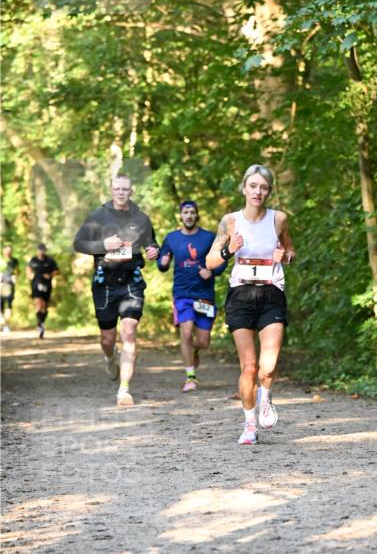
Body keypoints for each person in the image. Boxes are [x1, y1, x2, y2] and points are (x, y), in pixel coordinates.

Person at [206, 164, 295, 445]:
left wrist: (287, 256)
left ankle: (265, 397)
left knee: (268, 366)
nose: (258, 192)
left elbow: (290, 251)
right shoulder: (230, 222)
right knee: (249, 367)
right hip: (241, 295)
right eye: (253, 186)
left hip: (271, 293)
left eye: (264, 187)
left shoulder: (278, 219)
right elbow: (210, 262)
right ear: (244, 188)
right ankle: (249, 425)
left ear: (269, 191)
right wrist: (228, 250)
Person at [73, 174, 158, 406]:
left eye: (125, 189)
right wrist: (102, 246)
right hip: (105, 283)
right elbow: (78, 243)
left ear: (131, 191)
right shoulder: (98, 216)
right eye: (117, 189)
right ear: (111, 190)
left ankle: (124, 390)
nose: (121, 193)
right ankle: (110, 357)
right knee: (107, 338)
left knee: (129, 332)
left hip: (132, 281)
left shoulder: (141, 218)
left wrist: (153, 251)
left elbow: (151, 244)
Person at [158, 200, 227, 392]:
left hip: (204, 295)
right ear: (180, 216)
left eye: (192, 212)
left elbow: (221, 261)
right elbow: (162, 263)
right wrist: (162, 262)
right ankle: (190, 377)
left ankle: (195, 350)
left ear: (197, 215)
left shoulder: (208, 237)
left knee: (203, 342)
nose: (189, 216)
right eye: (185, 212)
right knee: (186, 332)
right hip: (182, 294)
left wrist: (211, 271)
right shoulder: (171, 238)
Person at [27, 243, 59, 338]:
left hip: (47, 285)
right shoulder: (33, 260)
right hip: (36, 285)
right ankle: (40, 324)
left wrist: (50, 275)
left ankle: (42, 322)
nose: (41, 251)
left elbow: (56, 270)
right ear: (37, 250)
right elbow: (28, 269)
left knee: (44, 306)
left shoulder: (49, 260)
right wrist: (29, 275)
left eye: (43, 250)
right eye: (40, 249)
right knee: (38, 303)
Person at [1, 244, 19, 333]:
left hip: (9, 285)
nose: (9, 252)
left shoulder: (14, 261)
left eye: (10, 250)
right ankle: (3, 323)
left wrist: (15, 277)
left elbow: (17, 271)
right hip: (1, 285)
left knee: (8, 305)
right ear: (3, 251)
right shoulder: (1, 260)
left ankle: (6, 325)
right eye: (7, 250)